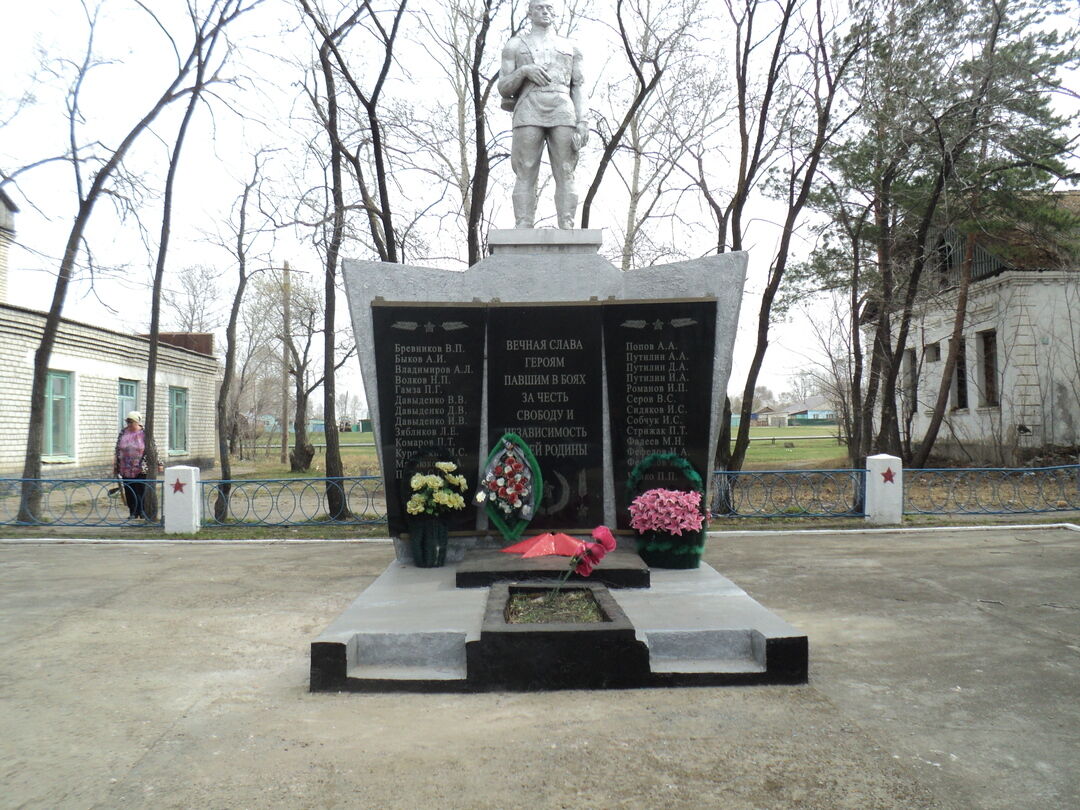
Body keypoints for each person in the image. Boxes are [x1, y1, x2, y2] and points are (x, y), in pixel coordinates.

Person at [498, 0, 588, 229]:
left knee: (566, 169)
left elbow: (578, 86)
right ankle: (523, 225)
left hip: (562, 107)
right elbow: (504, 87)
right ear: (529, 12)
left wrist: (583, 121)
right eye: (539, 7)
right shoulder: (515, 45)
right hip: (529, 106)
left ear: (556, 13)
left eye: (549, 8)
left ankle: (567, 226)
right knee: (525, 167)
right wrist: (524, 71)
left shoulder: (571, 47)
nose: (545, 11)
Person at [112, 411, 160, 520]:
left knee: (141, 490)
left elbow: (154, 448)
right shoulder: (123, 432)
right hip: (125, 467)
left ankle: (142, 511)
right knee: (129, 490)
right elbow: (117, 448)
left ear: (137, 422)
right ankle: (133, 512)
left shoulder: (144, 433)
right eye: (127, 421)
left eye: (131, 421)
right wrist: (115, 464)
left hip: (141, 467)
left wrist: (159, 463)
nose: (129, 424)